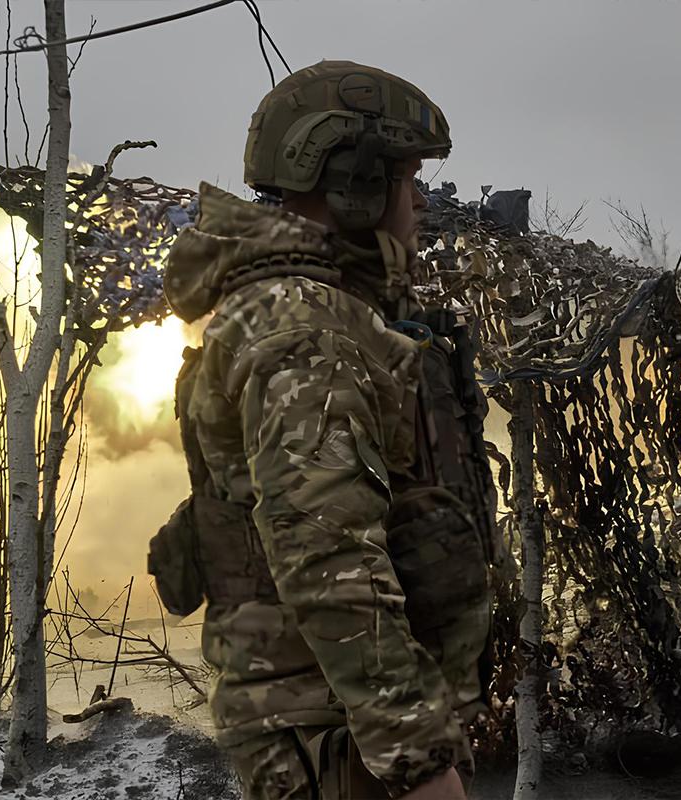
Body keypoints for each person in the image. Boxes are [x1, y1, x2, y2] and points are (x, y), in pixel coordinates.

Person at [153, 60, 502, 800]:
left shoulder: (319, 313)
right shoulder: (307, 329)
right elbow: (327, 555)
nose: (418, 203)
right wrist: (417, 760)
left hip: (340, 728)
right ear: (354, 183)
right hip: (336, 740)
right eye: (407, 179)